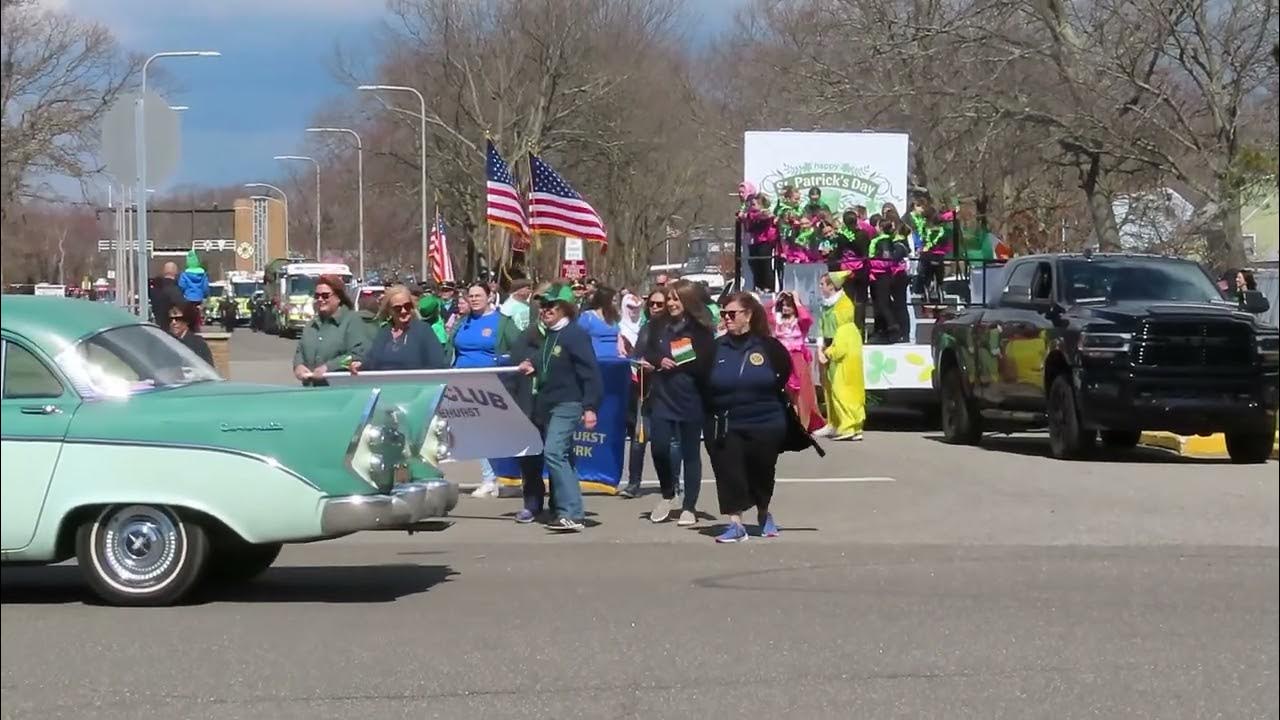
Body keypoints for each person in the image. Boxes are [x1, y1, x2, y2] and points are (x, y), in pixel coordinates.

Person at [513, 284, 603, 532]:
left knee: (553, 453)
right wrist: (532, 366)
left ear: (565, 307)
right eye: (542, 305)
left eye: (551, 305)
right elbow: (545, 360)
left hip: (568, 403)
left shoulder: (575, 335)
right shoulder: (552, 335)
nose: (545, 310)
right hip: (548, 405)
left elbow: (591, 373)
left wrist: (591, 407)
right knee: (564, 457)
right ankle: (567, 509)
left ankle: (572, 513)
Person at [704, 292, 793, 543]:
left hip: (766, 422)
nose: (727, 319)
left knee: (762, 472)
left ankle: (764, 512)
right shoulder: (716, 348)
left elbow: (784, 374)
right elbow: (703, 381)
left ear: (749, 316)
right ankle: (735, 522)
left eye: (732, 314)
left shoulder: (769, 347)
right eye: (723, 314)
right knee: (729, 471)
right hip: (727, 422)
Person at [636, 279, 715, 526]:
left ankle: (689, 506)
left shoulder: (700, 330)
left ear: (688, 301)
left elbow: (703, 363)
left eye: (675, 299)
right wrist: (659, 360)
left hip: (690, 396)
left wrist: (678, 358)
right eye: (668, 299)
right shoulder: (657, 325)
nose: (670, 304)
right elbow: (646, 350)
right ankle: (668, 493)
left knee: (690, 452)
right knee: (659, 447)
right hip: (662, 395)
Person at [448, 283, 515, 498]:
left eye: (479, 295)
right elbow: (452, 348)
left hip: (490, 384)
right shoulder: (463, 322)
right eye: (471, 296)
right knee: (471, 431)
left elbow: (519, 346)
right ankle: (489, 477)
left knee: (488, 432)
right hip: (461, 383)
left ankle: (496, 477)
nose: (474, 299)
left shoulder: (502, 322)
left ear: (490, 296)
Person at [293, 275, 369, 387]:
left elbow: (357, 355)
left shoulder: (352, 321)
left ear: (339, 298)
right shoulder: (311, 324)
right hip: (311, 391)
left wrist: (329, 367)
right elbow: (300, 352)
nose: (320, 299)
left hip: (338, 390)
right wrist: (298, 366)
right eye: (317, 296)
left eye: (325, 296)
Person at [350, 284, 447, 372]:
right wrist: (360, 365)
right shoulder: (383, 332)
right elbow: (372, 361)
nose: (403, 311)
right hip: (386, 387)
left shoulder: (424, 331)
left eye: (407, 306)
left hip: (415, 388)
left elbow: (438, 364)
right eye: (397, 308)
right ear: (389, 310)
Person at [817, 272, 866, 441]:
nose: (820, 287)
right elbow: (822, 325)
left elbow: (843, 335)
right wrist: (820, 348)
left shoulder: (844, 306)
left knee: (843, 389)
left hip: (842, 349)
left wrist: (830, 352)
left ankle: (849, 426)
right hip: (831, 347)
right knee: (829, 388)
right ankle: (835, 423)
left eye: (823, 284)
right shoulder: (826, 304)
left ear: (832, 286)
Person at [771, 291, 827, 434]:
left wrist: (796, 299)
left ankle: (800, 423)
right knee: (783, 393)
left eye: (788, 306)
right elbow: (765, 312)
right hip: (781, 359)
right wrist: (777, 297)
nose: (785, 308)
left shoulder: (800, 322)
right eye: (783, 305)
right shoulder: (777, 320)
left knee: (799, 394)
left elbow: (806, 317)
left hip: (797, 360)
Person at [743, 193, 778, 293]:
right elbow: (749, 218)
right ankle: (758, 286)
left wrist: (760, 214)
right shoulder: (750, 214)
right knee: (754, 264)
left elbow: (764, 216)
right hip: (754, 242)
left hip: (765, 241)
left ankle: (768, 287)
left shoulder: (765, 213)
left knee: (765, 263)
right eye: (751, 205)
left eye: (754, 205)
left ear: (760, 204)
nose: (751, 207)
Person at [578, 286, 622, 358]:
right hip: (595, 361)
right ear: (605, 301)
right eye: (614, 301)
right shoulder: (588, 317)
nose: (616, 304)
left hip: (615, 361)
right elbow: (578, 340)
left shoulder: (614, 318)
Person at [166, 301, 214, 366]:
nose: (173, 322)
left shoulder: (199, 344)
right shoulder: (166, 342)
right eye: (170, 319)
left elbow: (208, 370)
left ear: (187, 320)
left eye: (177, 319)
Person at [177, 250, 209, 326]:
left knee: (188, 313)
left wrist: (183, 293)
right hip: (199, 298)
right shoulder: (203, 275)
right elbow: (205, 287)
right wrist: (205, 295)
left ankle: (190, 325)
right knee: (198, 311)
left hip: (188, 297)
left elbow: (182, 286)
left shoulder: (184, 275)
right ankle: (198, 324)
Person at [150, 261, 185, 327]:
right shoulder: (175, 290)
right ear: (176, 272)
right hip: (171, 326)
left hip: (157, 325)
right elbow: (182, 308)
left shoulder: (154, 289)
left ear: (164, 272)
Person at [617, 292, 644, 357]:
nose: (634, 310)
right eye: (630, 307)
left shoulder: (644, 326)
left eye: (636, 307)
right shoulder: (619, 327)